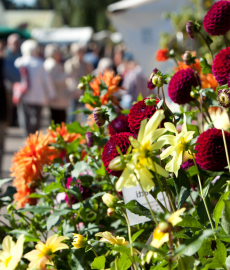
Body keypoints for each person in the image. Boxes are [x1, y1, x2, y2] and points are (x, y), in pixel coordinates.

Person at [14, 40, 56, 136]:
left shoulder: (19, 62)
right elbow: (47, 81)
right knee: (36, 120)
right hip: (38, 97)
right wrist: (52, 94)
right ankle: (34, 138)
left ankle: (28, 138)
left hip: (24, 96)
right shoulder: (40, 63)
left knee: (25, 120)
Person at [64, 43, 91, 123]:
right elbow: (68, 77)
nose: (81, 54)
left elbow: (89, 75)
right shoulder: (70, 63)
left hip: (84, 91)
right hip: (74, 91)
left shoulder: (86, 63)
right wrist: (73, 89)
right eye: (80, 52)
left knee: (86, 113)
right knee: (72, 113)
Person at [44, 44, 69, 124]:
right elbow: (51, 80)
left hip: (59, 98)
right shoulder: (51, 64)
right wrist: (65, 76)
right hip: (56, 98)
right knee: (58, 121)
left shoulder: (53, 63)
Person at [4, 34, 21, 126]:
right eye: (14, 43)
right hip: (7, 84)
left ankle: (14, 121)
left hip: (18, 84)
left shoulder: (21, 54)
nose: (16, 45)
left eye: (17, 43)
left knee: (16, 105)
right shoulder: (5, 54)